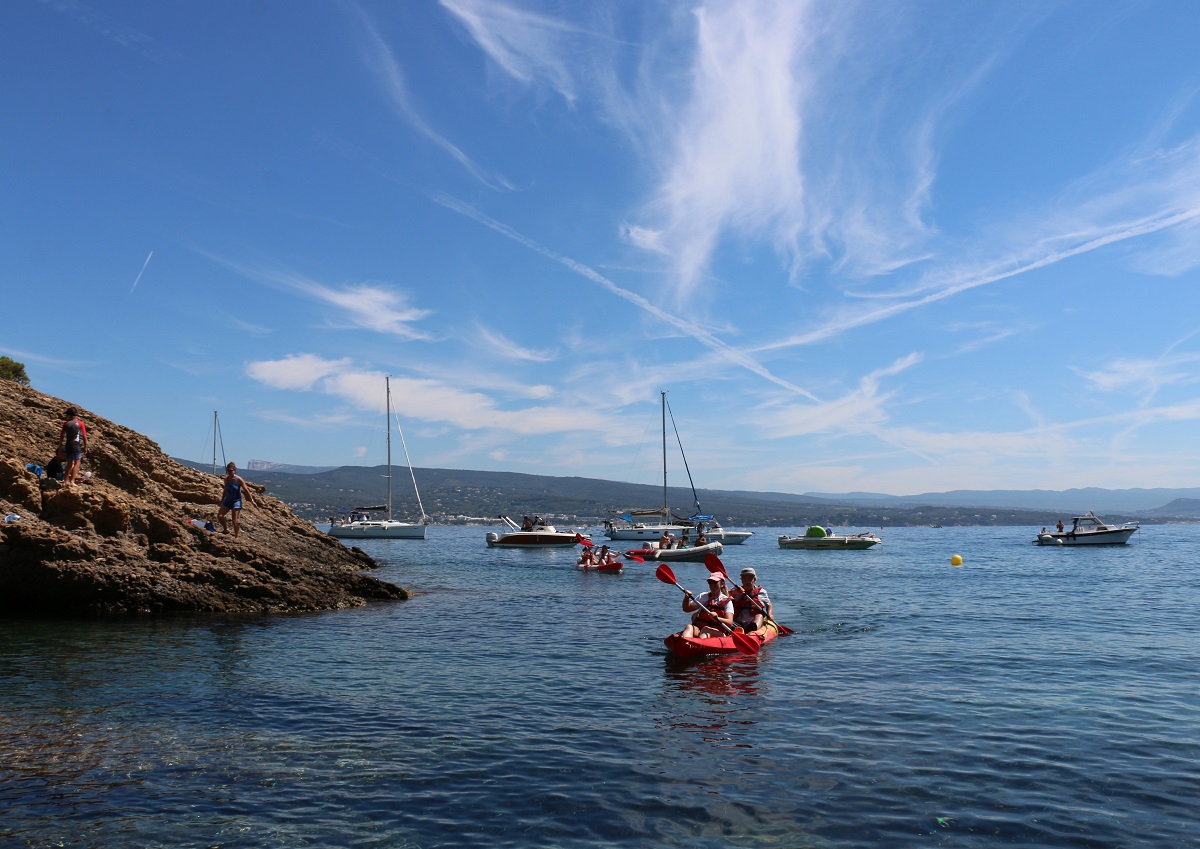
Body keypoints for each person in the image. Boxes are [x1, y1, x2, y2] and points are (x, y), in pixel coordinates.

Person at [681, 572, 735, 639]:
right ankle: (685, 643)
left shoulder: (727, 601)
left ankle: (698, 645)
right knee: (689, 627)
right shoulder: (703, 596)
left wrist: (717, 618)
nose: (712, 584)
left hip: (718, 632)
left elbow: (729, 622)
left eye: (715, 582)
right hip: (700, 629)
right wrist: (686, 598)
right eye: (710, 582)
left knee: (706, 630)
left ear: (722, 584)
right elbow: (687, 609)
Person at [217, 462, 255, 537]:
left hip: (236, 502)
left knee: (234, 521)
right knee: (220, 516)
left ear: (234, 470)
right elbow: (225, 491)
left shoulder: (238, 479)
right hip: (227, 500)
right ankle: (225, 529)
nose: (229, 472)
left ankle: (236, 536)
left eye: (231, 470)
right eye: (228, 471)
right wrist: (221, 500)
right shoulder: (226, 480)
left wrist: (252, 501)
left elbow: (246, 490)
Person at [730, 567, 773, 634]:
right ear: (742, 580)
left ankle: (752, 631)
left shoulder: (761, 592)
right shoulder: (735, 591)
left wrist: (769, 614)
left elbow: (769, 604)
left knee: (759, 615)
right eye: (745, 579)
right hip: (737, 622)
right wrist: (734, 592)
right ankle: (736, 630)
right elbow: (724, 596)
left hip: (752, 622)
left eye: (750, 579)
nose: (747, 582)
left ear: (755, 580)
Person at [58, 407, 88, 487]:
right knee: (77, 463)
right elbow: (84, 436)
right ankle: (72, 481)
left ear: (70, 415)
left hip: (68, 445)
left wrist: (60, 447)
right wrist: (85, 446)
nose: (66, 417)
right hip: (76, 445)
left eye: (67, 415)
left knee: (69, 464)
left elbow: (62, 436)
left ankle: (65, 482)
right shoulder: (80, 424)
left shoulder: (66, 424)